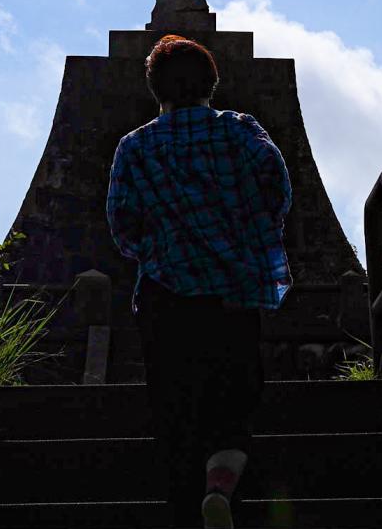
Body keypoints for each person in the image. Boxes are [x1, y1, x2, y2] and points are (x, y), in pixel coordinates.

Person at [106, 35, 293, 529]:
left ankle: (184, 505)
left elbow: (122, 224)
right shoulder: (241, 132)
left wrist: (155, 249)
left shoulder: (135, 146)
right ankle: (220, 489)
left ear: (155, 88)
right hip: (235, 293)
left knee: (175, 403)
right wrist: (249, 237)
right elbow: (276, 187)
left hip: (166, 296)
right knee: (233, 402)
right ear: (212, 83)